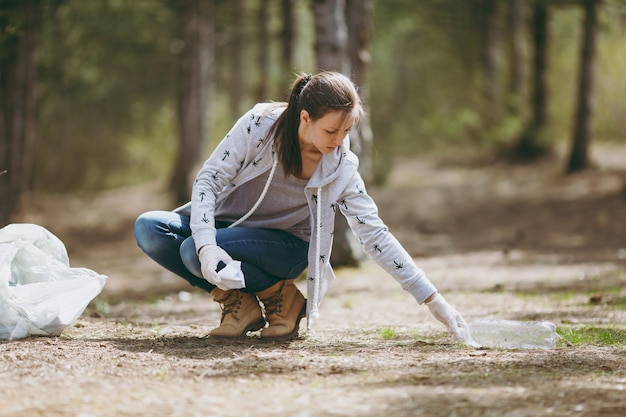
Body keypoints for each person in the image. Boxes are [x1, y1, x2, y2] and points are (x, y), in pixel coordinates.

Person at [134, 71, 472, 343]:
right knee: (150, 228)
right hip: (228, 229)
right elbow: (208, 180)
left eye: (346, 129)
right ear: (305, 118)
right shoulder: (258, 126)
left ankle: (283, 296)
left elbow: (375, 235)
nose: (338, 139)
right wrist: (210, 245)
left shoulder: (340, 167)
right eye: (331, 130)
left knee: (193, 251)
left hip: (287, 246)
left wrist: (433, 299)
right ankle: (241, 303)